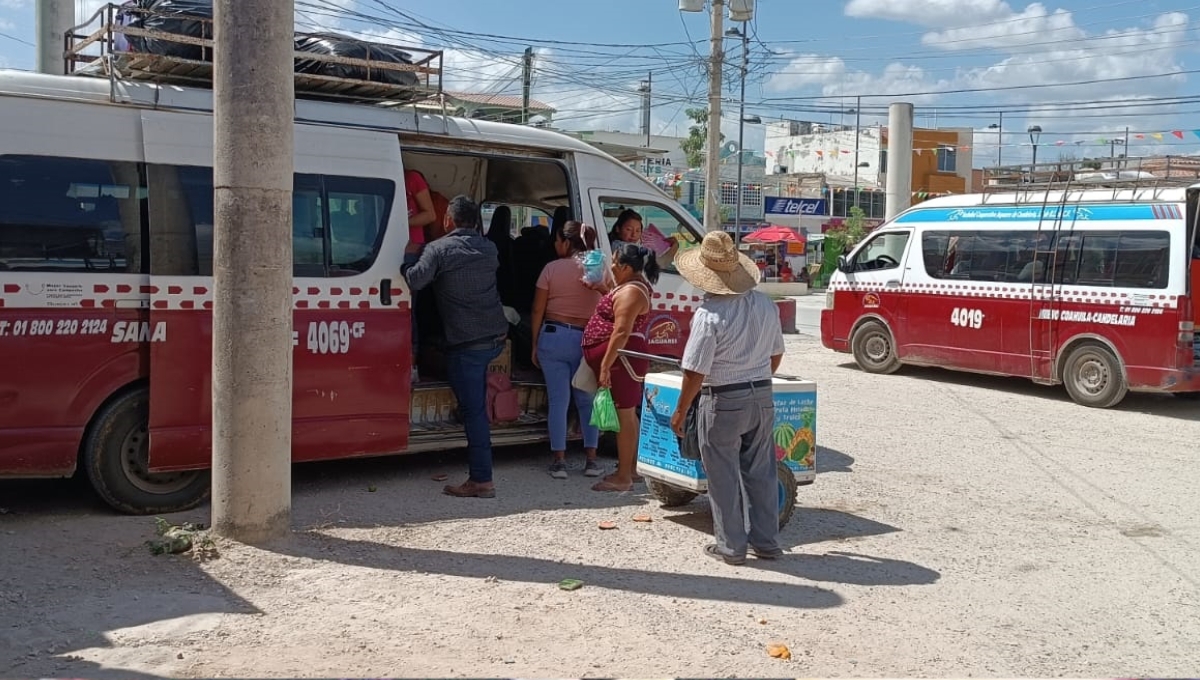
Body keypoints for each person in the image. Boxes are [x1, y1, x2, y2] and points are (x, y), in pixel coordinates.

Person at [669, 231, 786, 565]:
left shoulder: (709, 315)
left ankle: (731, 547)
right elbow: (775, 357)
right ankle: (767, 543)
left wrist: (680, 412)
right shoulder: (765, 304)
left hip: (723, 400)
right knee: (761, 472)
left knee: (722, 476)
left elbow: (695, 370)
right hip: (761, 394)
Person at [401, 195, 509, 499]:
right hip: (495, 337)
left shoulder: (439, 249)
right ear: (475, 221)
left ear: (448, 220)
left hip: (468, 343)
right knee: (473, 400)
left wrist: (409, 257)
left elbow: (416, 280)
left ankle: (481, 479)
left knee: (473, 411)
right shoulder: (490, 248)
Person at [581, 243, 660, 492]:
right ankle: (630, 468)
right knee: (627, 414)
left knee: (624, 415)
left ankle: (624, 476)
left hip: (621, 361)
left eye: (615, 262)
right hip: (621, 359)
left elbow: (622, 330)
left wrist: (605, 364)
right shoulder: (628, 288)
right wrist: (602, 288)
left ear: (626, 267)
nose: (611, 266)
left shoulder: (633, 292)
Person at [531, 221, 603, 479]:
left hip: (554, 337)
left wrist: (534, 343)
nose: (555, 245)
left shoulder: (551, 268)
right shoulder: (597, 270)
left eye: (558, 240)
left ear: (567, 243)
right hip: (586, 341)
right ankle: (591, 461)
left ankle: (559, 461)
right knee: (587, 402)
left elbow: (538, 309)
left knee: (558, 402)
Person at [404, 169, 438, 382]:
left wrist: (400, 222)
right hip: (387, 250)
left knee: (409, 313)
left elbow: (430, 214)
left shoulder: (412, 178)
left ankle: (412, 367)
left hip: (412, 252)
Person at [608, 208, 678, 268]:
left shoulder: (613, 243)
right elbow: (661, 263)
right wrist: (675, 246)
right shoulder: (622, 248)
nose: (633, 234)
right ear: (618, 229)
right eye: (629, 229)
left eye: (638, 231)